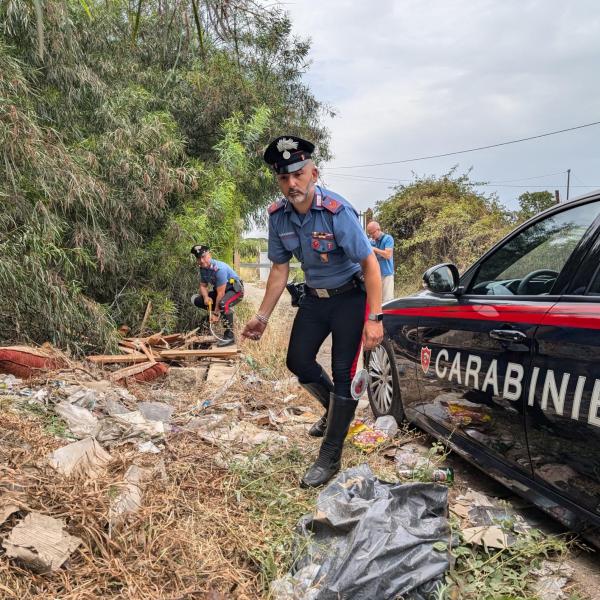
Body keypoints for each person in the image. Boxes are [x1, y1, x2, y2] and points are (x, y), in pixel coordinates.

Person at [242, 135, 383, 488]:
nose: (292, 184)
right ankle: (332, 411)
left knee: (343, 373)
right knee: (298, 360)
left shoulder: (337, 211)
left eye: (298, 174)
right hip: (315, 299)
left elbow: (370, 265)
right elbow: (279, 270)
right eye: (284, 178)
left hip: (350, 299)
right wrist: (261, 318)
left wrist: (374, 317)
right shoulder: (278, 217)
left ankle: (330, 454)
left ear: (313, 173)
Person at [190, 245, 244, 347]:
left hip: (236, 291)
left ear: (209, 255)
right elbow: (202, 285)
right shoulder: (203, 269)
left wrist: (215, 312)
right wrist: (206, 297)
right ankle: (219, 314)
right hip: (222, 292)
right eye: (199, 258)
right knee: (196, 299)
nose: (201, 260)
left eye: (204, 257)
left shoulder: (219, 269)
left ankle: (230, 336)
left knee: (223, 304)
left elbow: (221, 293)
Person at [366, 221, 395, 303]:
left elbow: (388, 255)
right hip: (376, 275)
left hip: (387, 275)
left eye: (372, 233)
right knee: (377, 301)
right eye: (369, 234)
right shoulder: (371, 241)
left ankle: (388, 316)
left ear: (378, 229)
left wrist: (374, 249)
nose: (371, 236)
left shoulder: (388, 238)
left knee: (387, 301)